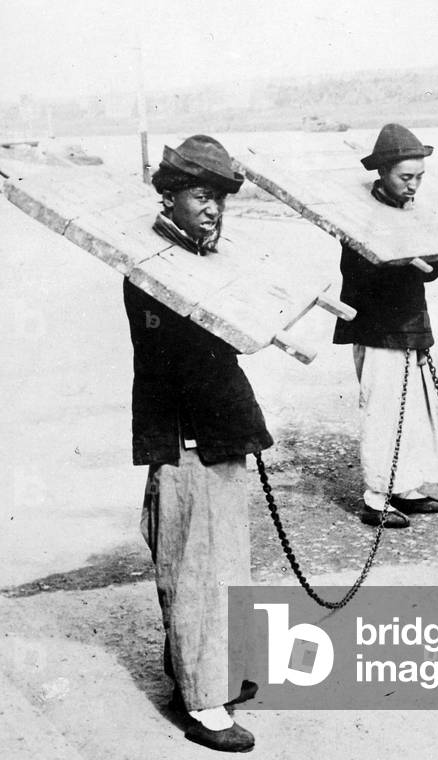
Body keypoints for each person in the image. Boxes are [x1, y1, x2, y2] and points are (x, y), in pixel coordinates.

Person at [123, 135, 273, 752]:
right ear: (171, 196)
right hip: (189, 440)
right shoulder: (154, 270)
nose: (213, 210)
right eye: (201, 196)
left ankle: (197, 673)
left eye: (220, 200)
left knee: (220, 565)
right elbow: (182, 362)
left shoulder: (202, 258)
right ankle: (204, 705)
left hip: (218, 436)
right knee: (196, 571)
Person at [333, 123, 438, 528]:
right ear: (382, 173)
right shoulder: (361, 217)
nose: (414, 185)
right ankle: (376, 497)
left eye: (420, 177)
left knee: (415, 411)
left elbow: (427, 274)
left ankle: (405, 488)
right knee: (384, 411)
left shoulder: (409, 212)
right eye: (406, 177)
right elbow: (361, 276)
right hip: (379, 329)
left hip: (410, 323)